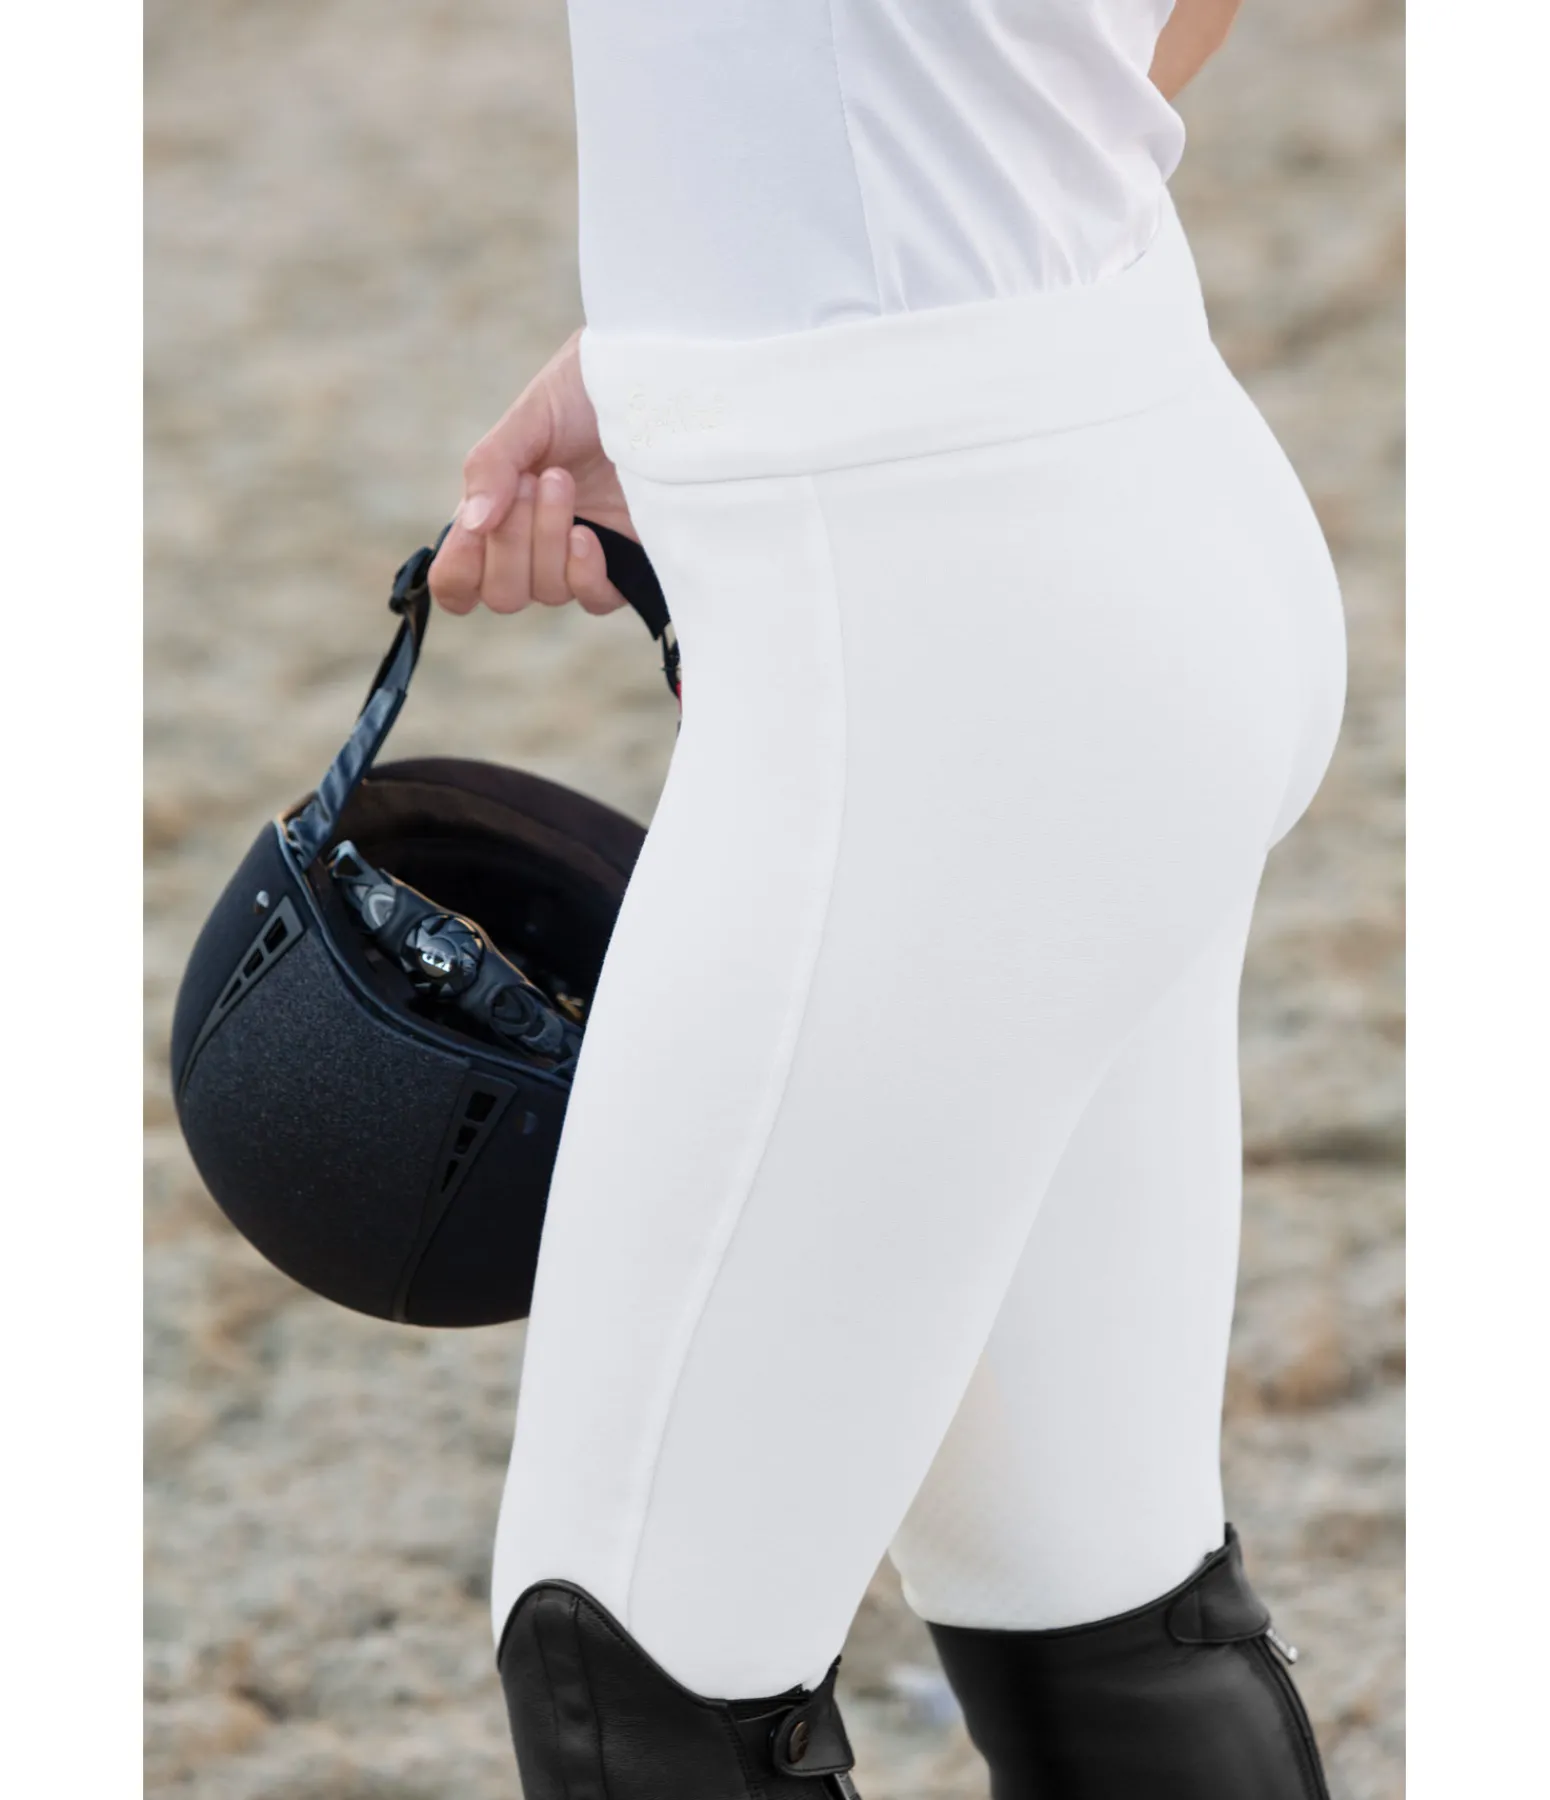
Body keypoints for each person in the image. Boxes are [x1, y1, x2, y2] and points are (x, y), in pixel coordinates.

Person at [430, 4, 1346, 1796]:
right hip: (1128, 487)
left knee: (635, 1668)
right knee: (1094, 1599)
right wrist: (729, 312)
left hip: (934, 648)